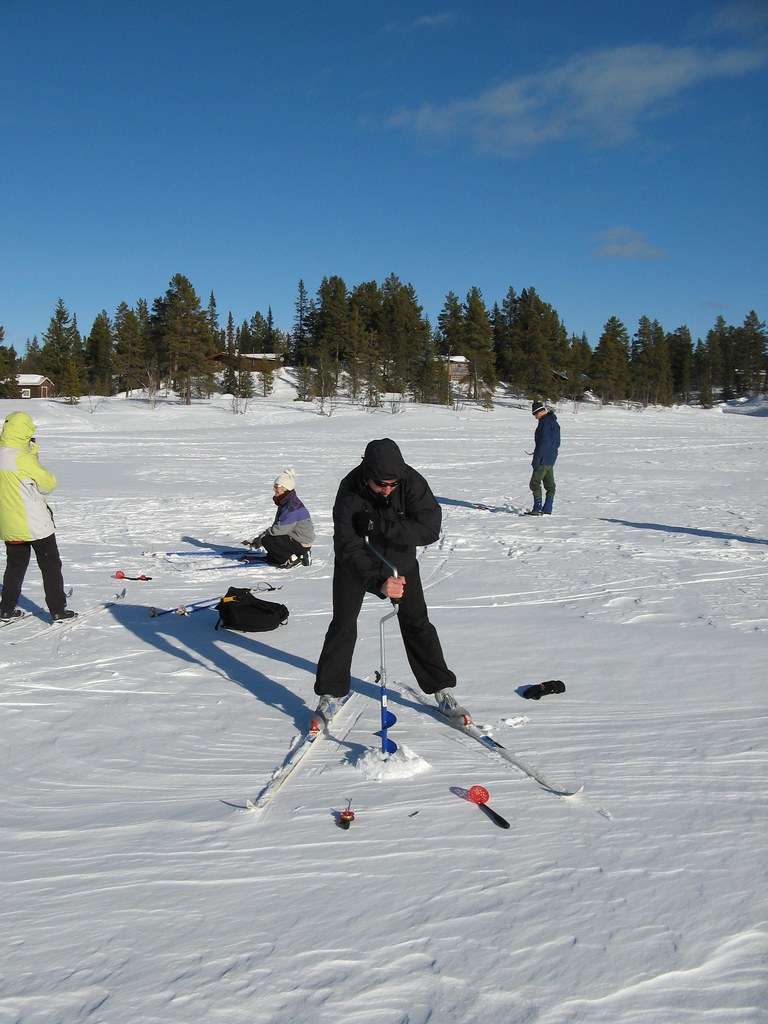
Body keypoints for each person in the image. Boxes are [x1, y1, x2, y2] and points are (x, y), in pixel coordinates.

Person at [313, 437, 467, 729]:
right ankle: (330, 694)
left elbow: (430, 528)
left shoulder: (410, 481)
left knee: (417, 623)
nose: (387, 490)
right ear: (367, 474)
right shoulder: (349, 491)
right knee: (343, 624)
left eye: (392, 485)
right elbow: (347, 548)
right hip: (356, 564)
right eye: (381, 484)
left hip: (400, 562)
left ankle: (442, 690)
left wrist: (381, 526)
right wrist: (377, 583)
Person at [0, 411, 76, 621]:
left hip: (9, 523)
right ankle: (58, 609)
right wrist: (34, 457)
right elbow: (47, 484)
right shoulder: (22, 458)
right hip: (33, 522)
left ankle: (6, 608)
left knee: (15, 565)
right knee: (51, 564)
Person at [244, 467, 315, 568]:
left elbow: (279, 530)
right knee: (270, 543)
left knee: (267, 540)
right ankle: (300, 554)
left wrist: (260, 538)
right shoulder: (287, 502)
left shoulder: (291, 507)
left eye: (276, 486)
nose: (274, 488)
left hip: (301, 543)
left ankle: (291, 558)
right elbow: (279, 525)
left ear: (284, 488)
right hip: (298, 540)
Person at [526, 399, 560, 515]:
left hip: (543, 458)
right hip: (551, 458)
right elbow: (557, 442)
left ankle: (537, 508)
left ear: (540, 411)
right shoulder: (554, 423)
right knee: (550, 485)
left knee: (534, 483)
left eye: (535, 414)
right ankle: (548, 508)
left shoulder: (544, 423)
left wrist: (536, 460)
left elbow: (543, 443)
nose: (535, 417)